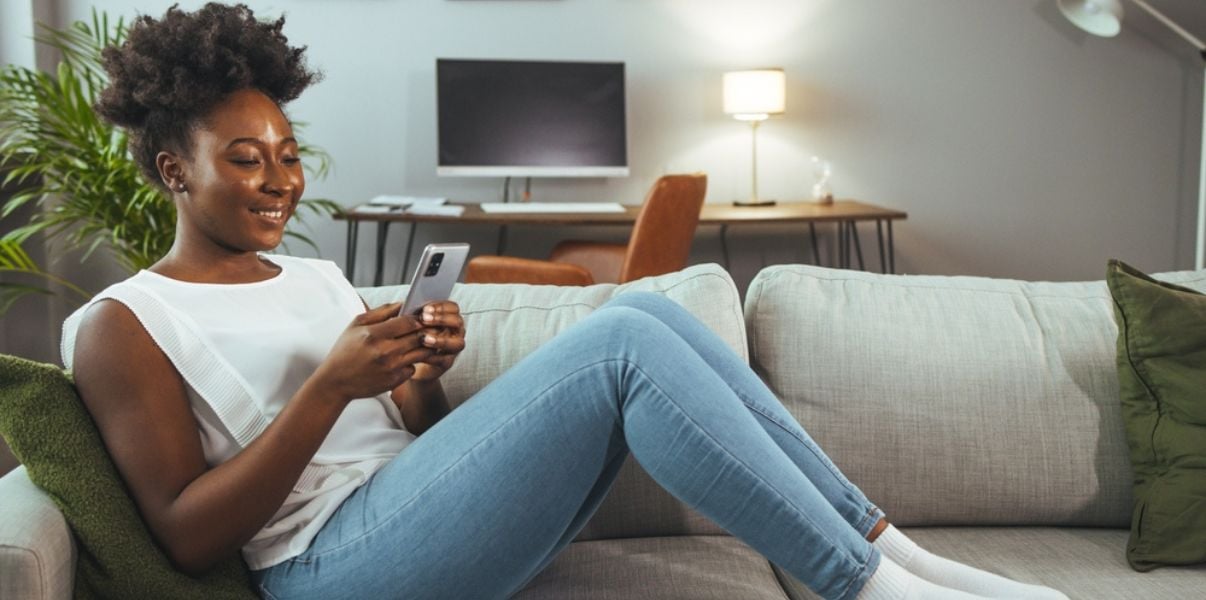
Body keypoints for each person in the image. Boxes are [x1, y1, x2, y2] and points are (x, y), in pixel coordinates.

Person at [64, 4, 1070, 600]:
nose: (280, 179)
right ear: (171, 171)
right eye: (245, 159)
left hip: (415, 516)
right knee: (621, 336)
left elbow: (420, 442)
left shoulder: (316, 277)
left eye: (288, 155)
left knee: (652, 317)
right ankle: (871, 587)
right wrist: (326, 391)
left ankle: (895, 550)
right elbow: (189, 537)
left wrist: (421, 372)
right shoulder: (124, 323)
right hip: (327, 569)